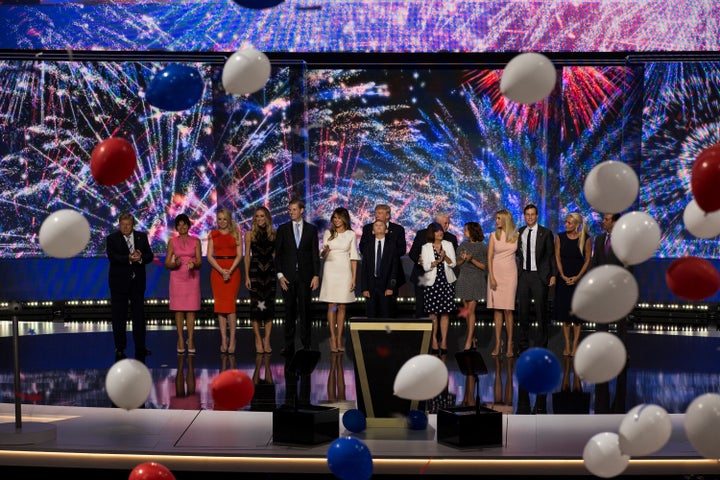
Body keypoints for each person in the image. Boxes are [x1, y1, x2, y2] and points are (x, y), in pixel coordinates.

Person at [106, 212, 154, 362]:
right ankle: (120, 348)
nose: (126, 227)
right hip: (119, 284)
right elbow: (113, 257)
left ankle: (141, 347)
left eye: (128, 224)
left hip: (137, 283)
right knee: (119, 317)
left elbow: (149, 256)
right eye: (123, 225)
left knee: (139, 316)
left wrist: (140, 258)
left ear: (133, 225)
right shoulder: (112, 238)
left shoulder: (141, 237)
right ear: (119, 225)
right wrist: (128, 258)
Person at [275, 198, 321, 356]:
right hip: (287, 277)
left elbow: (315, 253)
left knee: (305, 311)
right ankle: (288, 346)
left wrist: (316, 275)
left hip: (305, 276)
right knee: (289, 311)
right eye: (290, 210)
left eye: (294, 209)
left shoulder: (311, 230)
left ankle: (306, 344)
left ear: (302, 210)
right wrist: (280, 275)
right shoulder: (282, 229)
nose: (291, 212)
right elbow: (278, 254)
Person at [516, 204, 557, 351]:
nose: (530, 217)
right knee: (523, 312)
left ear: (537, 216)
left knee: (541, 312)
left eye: (532, 214)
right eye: (527, 214)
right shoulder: (520, 232)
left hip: (539, 276)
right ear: (524, 216)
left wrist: (553, 274)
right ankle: (523, 344)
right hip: (524, 275)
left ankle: (541, 344)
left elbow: (551, 255)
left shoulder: (545, 233)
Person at [319, 207, 360, 352]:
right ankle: (332, 337)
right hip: (331, 270)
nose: (336, 220)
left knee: (342, 306)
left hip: (345, 271)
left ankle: (339, 337)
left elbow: (353, 257)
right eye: (334, 218)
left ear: (344, 219)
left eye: (339, 218)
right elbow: (322, 255)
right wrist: (325, 251)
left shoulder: (350, 234)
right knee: (332, 305)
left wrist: (354, 278)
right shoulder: (328, 233)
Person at [555, 212, 592, 357]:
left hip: (579, 280)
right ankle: (567, 344)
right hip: (563, 278)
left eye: (569, 223)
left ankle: (575, 344)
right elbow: (557, 256)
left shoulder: (586, 238)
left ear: (577, 225)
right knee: (565, 314)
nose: (566, 224)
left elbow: (588, 259)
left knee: (577, 316)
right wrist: (562, 274)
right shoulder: (560, 237)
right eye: (566, 222)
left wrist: (577, 277)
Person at [408, 212, 458, 318]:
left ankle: (437, 334)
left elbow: (454, 260)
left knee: (442, 310)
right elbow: (413, 252)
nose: (447, 226)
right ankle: (421, 333)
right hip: (423, 276)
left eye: (448, 223)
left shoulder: (451, 238)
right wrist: (419, 261)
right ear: (436, 223)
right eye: (445, 223)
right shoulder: (422, 234)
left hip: (443, 280)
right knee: (421, 306)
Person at [359, 204, 407, 315]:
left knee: (389, 309)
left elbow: (402, 249)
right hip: (372, 277)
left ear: (387, 215)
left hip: (390, 275)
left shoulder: (397, 229)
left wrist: (388, 254)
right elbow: (363, 249)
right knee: (371, 311)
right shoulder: (368, 228)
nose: (377, 215)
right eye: (375, 213)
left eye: (380, 213)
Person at [165, 213, 201, 355]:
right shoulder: (172, 242)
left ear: (188, 226)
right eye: (179, 225)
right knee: (179, 310)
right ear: (176, 228)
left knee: (191, 310)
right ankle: (180, 339)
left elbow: (200, 261)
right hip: (177, 277)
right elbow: (167, 263)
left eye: (184, 224)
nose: (182, 227)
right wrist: (175, 263)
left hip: (192, 278)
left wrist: (194, 263)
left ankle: (191, 339)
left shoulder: (196, 241)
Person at [207, 207, 242, 355]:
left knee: (230, 307)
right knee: (220, 307)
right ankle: (223, 339)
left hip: (233, 271)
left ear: (229, 219)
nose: (221, 222)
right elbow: (209, 256)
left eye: (224, 219)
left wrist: (230, 270)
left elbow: (239, 255)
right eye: (219, 219)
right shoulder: (212, 235)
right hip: (217, 272)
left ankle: (233, 339)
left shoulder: (236, 234)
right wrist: (221, 271)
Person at [419, 222, 457, 355]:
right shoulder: (426, 247)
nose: (440, 233)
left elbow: (453, 264)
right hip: (432, 283)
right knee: (433, 314)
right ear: (432, 233)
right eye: (437, 231)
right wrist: (436, 262)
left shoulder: (448, 245)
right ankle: (434, 340)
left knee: (445, 313)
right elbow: (425, 267)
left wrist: (444, 257)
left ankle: (444, 341)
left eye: (441, 231)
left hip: (446, 282)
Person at [244, 206, 277, 354]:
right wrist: (246, 276)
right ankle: (258, 339)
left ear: (267, 218)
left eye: (262, 216)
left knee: (269, 308)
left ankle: (268, 339)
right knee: (255, 309)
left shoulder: (273, 235)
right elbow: (246, 257)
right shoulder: (249, 234)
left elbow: (276, 256)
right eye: (257, 216)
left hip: (270, 273)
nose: (259, 219)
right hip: (255, 273)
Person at [487, 209, 519, 358]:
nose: (497, 221)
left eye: (499, 218)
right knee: (497, 309)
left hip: (511, 274)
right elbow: (489, 258)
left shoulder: (516, 236)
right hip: (496, 274)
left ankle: (510, 343)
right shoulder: (493, 236)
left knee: (508, 309)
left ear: (506, 219)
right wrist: (492, 277)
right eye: (496, 219)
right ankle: (498, 342)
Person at [455, 221, 487, 351]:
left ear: (472, 231)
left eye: (466, 230)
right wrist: (463, 259)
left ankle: (468, 340)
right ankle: (472, 337)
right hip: (464, 279)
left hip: (476, 280)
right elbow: (458, 263)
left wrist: (472, 259)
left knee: (471, 311)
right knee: (466, 311)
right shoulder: (463, 245)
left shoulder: (482, 247)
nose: (464, 232)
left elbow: (484, 267)